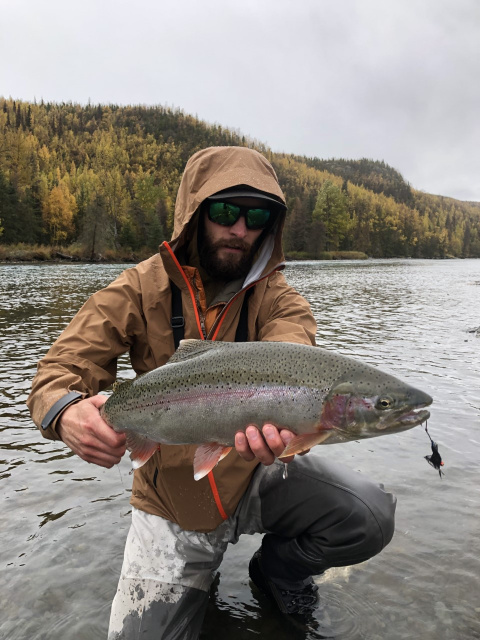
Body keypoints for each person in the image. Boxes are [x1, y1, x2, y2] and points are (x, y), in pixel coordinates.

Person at [28, 146, 396, 640]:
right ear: (196, 214)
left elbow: (295, 350)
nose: (240, 229)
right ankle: (196, 574)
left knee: (368, 516)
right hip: (172, 500)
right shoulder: (137, 288)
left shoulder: (279, 297)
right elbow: (58, 370)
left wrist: (284, 410)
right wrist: (66, 411)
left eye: (257, 216)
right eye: (225, 212)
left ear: (271, 225)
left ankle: (277, 572)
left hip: (257, 471)